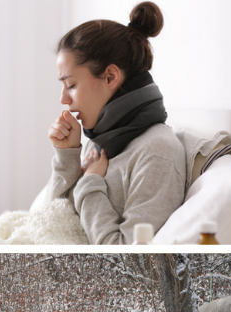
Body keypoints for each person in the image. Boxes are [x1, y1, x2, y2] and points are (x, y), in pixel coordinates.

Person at [44, 1, 185, 245]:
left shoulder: (157, 153)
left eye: (71, 85)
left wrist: (90, 183)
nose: (63, 99)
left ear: (110, 77)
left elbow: (124, 259)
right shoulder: (99, 142)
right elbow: (51, 222)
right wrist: (67, 157)